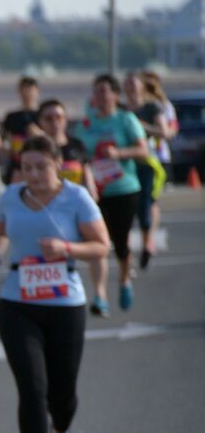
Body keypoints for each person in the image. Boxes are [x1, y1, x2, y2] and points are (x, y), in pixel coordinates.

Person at [0, 136, 110, 433]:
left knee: (62, 394)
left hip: (65, 305)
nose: (34, 174)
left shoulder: (77, 198)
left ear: (58, 164)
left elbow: (102, 245)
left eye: (41, 166)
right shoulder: (11, 196)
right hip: (16, 302)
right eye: (27, 167)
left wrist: (66, 248)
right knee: (32, 388)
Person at [79, 74, 148, 313]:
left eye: (103, 91)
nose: (98, 95)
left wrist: (118, 154)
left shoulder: (126, 119)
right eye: (95, 91)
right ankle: (99, 295)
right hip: (95, 191)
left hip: (124, 188)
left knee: (120, 243)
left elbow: (143, 151)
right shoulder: (87, 123)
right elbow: (78, 154)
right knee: (98, 242)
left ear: (115, 95)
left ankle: (124, 280)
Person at [125, 72, 171, 272]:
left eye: (134, 84)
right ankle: (125, 255)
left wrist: (144, 127)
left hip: (146, 164)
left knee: (145, 209)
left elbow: (165, 132)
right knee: (125, 210)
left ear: (142, 87)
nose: (131, 88)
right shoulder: (121, 109)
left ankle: (146, 244)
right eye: (127, 84)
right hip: (124, 165)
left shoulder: (152, 107)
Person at [37, 99, 97, 203]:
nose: (54, 122)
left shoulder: (77, 145)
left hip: (75, 202)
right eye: (48, 118)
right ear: (40, 121)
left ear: (65, 119)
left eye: (58, 117)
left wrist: (91, 194)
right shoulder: (35, 148)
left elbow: (87, 174)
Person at [1, 76, 44, 185]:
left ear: (37, 91)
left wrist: (39, 134)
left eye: (30, 89)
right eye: (23, 89)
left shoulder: (43, 115)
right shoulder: (12, 117)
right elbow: (4, 139)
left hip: (39, 163)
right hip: (17, 166)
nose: (27, 93)